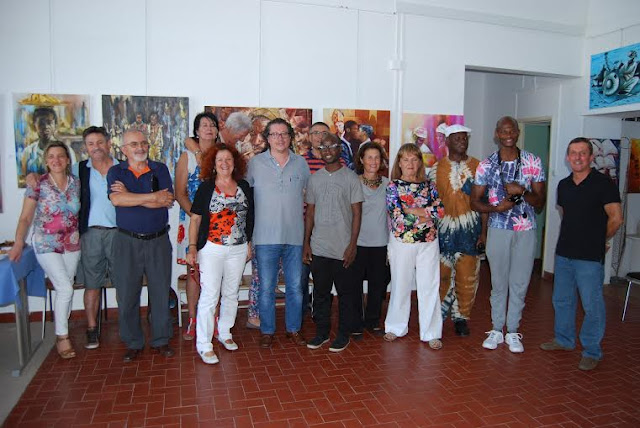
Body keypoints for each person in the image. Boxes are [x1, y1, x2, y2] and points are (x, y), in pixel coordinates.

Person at [540, 138, 623, 371]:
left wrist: (600, 240)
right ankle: (564, 340)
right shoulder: (564, 185)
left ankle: (592, 351)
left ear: (591, 157)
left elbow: (616, 218)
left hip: (589, 257)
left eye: (583, 153)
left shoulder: (603, 183)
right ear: (567, 157)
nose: (577, 157)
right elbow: (567, 215)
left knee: (591, 304)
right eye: (573, 153)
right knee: (562, 300)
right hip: (564, 253)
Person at [471, 116, 546, 353]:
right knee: (498, 282)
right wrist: (497, 209)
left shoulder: (532, 161)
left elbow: (540, 202)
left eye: (512, 130)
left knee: (520, 282)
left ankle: (513, 331)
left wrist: (522, 191)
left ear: (517, 132)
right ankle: (496, 329)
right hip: (498, 229)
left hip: (526, 230)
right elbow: (474, 202)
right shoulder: (486, 165)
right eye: (503, 131)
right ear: (497, 134)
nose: (508, 135)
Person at [107, 130, 175, 362]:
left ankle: (161, 340)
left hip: (158, 240)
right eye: (134, 144)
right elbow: (117, 200)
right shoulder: (116, 172)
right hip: (127, 241)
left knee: (160, 291)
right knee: (127, 294)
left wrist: (132, 196)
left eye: (144, 143)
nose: (140, 147)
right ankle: (133, 342)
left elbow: (167, 200)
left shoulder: (160, 169)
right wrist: (151, 197)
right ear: (124, 149)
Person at [9, 141, 81, 359]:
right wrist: (18, 242)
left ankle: (62, 326)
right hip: (46, 243)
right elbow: (25, 217)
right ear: (46, 161)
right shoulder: (37, 184)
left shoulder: (76, 182)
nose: (56, 160)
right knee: (65, 289)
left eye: (60, 156)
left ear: (67, 160)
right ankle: (62, 337)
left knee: (65, 288)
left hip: (72, 243)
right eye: (51, 156)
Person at [186, 144, 254, 364]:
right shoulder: (206, 188)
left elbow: (249, 217)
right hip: (212, 248)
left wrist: (249, 242)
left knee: (231, 293)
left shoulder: (244, 186)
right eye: (220, 160)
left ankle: (225, 332)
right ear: (213, 165)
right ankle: (204, 344)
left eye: (228, 160)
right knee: (210, 295)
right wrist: (192, 247)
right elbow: (196, 219)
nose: (225, 164)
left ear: (235, 163)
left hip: (238, 248)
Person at [247, 118, 310, 348]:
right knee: (266, 288)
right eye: (274, 134)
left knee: (295, 288)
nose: (280, 138)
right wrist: (248, 238)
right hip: (264, 238)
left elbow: (309, 197)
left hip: (295, 237)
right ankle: (267, 331)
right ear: (267, 138)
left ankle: (293, 329)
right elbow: (246, 200)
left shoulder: (301, 164)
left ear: (291, 137)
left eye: (284, 133)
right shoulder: (255, 164)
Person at [303, 133, 364, 352]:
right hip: (319, 247)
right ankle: (321, 333)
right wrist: (306, 243)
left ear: (340, 149)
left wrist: (352, 245)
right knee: (321, 294)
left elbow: (357, 214)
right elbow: (310, 213)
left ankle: (343, 335)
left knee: (346, 295)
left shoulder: (351, 178)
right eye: (323, 147)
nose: (327, 151)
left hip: (343, 248)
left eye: (332, 146)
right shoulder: (314, 179)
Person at [384, 143, 444, 349]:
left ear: (420, 162)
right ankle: (395, 327)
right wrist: (425, 214)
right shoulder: (393, 187)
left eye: (414, 159)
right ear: (399, 163)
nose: (410, 163)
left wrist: (411, 210)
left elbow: (439, 211)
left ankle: (431, 332)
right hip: (402, 243)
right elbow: (398, 217)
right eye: (405, 159)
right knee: (400, 285)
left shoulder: (430, 186)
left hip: (429, 243)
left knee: (430, 287)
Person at [430, 125, 486, 337]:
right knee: (441, 276)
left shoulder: (478, 166)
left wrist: (484, 234)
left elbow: (485, 203)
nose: (462, 142)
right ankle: (439, 316)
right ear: (447, 141)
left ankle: (461, 318)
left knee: (467, 276)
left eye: (464, 138)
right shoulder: (436, 169)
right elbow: (431, 204)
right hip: (442, 233)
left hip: (470, 232)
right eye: (457, 138)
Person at [175, 112, 220, 340]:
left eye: (212, 125)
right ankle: (193, 319)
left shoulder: (223, 155)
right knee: (193, 272)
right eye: (204, 125)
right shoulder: (188, 157)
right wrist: (196, 216)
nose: (209, 128)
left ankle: (215, 319)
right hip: (191, 219)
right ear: (196, 131)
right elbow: (180, 192)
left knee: (217, 274)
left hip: (219, 223)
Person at [74, 126, 119, 349]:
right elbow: (54, 177)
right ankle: (92, 329)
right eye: (91, 144)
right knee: (92, 283)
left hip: (120, 233)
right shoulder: (80, 169)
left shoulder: (122, 167)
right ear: (86, 147)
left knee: (123, 282)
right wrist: (34, 176)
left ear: (108, 143)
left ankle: (126, 326)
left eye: (100, 142)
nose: (96, 147)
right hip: (91, 234)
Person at [352, 141, 390, 337]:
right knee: (354, 285)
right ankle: (356, 323)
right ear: (361, 160)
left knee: (378, 285)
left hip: (381, 243)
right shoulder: (353, 182)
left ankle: (373, 321)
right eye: (369, 157)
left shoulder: (388, 184)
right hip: (357, 243)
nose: (373, 161)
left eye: (377, 157)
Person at [21, 107, 76, 176]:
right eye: (41, 123)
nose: (46, 126)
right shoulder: (28, 152)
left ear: (55, 125)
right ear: (34, 125)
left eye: (49, 123)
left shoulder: (67, 151)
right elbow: (23, 177)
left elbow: (74, 176)